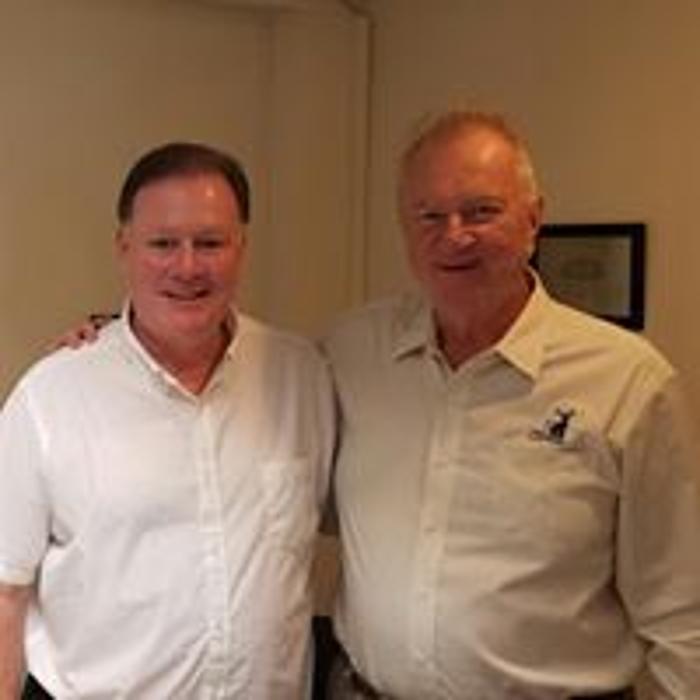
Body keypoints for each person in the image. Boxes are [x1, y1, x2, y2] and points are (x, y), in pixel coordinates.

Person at [323, 111, 700, 698]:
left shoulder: (628, 381)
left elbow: (681, 614)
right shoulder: (352, 352)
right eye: (429, 216)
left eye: (480, 211)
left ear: (533, 219)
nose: (454, 235)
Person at [0, 142, 334, 699]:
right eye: (163, 244)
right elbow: (5, 593)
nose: (187, 267)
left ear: (241, 248)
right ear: (124, 248)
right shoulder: (51, 398)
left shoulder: (303, 377)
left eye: (210, 243)